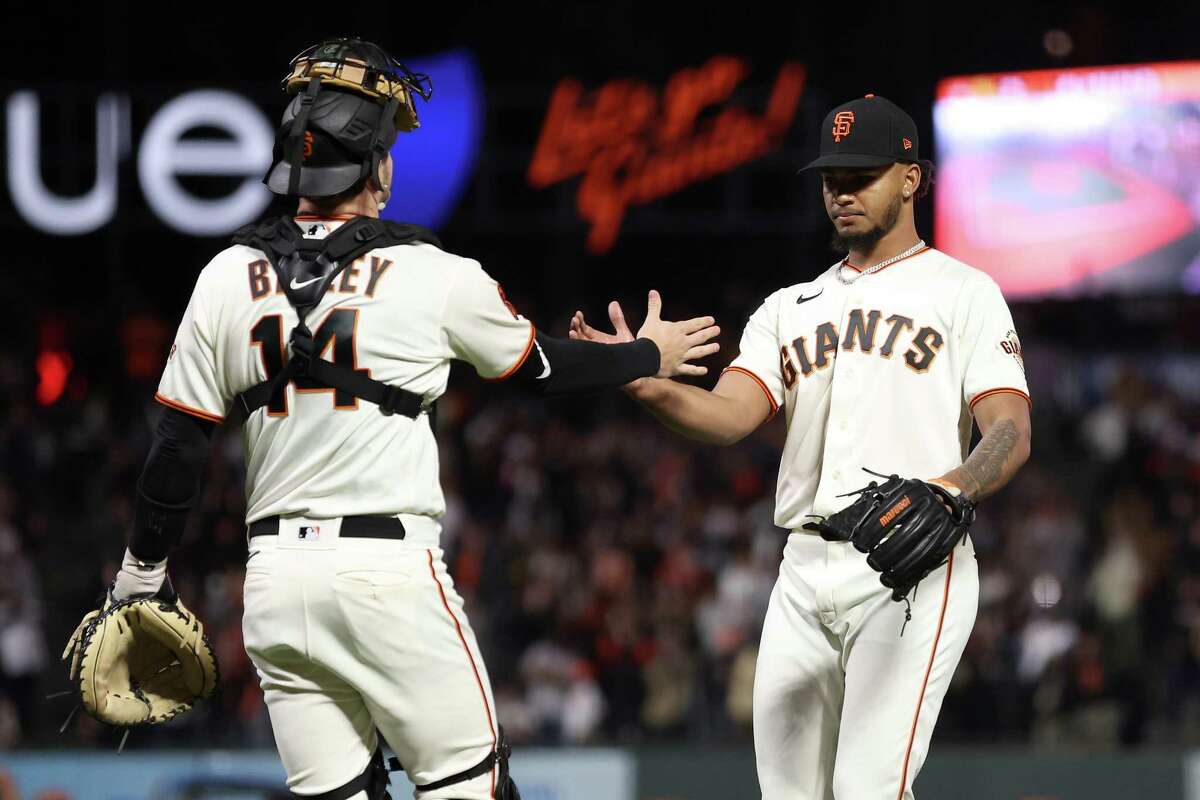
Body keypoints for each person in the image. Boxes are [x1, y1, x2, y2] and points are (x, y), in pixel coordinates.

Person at [104, 37, 718, 800]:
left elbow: (177, 444)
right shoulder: (434, 274)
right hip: (384, 573)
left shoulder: (226, 276)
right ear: (375, 165)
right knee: (470, 788)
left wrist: (139, 579)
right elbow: (544, 369)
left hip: (271, 588)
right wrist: (645, 357)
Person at [571, 94, 1032, 799]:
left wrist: (955, 490)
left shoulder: (965, 292)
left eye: (861, 174)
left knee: (866, 790)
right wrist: (640, 379)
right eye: (831, 178)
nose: (841, 192)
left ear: (910, 179)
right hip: (801, 568)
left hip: (912, 562)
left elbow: (1009, 428)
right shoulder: (789, 307)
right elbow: (729, 415)